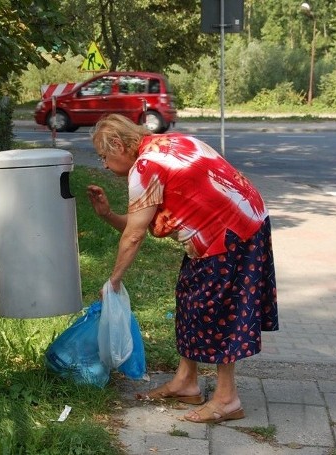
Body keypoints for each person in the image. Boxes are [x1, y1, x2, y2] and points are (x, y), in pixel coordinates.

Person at [86, 114, 278, 424]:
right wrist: (107, 214)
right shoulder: (169, 143)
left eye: (104, 156)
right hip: (240, 222)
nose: (105, 165)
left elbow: (134, 235)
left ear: (119, 145)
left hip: (231, 233)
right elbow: (140, 225)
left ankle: (227, 399)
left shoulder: (146, 166)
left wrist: (115, 279)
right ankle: (186, 382)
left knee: (219, 310)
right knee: (190, 300)